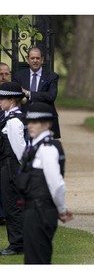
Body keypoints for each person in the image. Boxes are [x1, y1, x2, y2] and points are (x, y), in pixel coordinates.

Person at [16, 102, 73, 264]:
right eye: (29, 121)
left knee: (38, 260)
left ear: (47, 124)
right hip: (32, 209)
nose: (30, 125)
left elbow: (56, 184)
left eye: (36, 122)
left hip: (40, 210)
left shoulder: (47, 148)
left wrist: (61, 209)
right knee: (32, 259)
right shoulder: (36, 146)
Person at [0, 82, 28, 255]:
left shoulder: (13, 122)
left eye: (2, 98)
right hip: (10, 166)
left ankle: (18, 244)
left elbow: (20, 149)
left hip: (11, 167)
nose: (0, 101)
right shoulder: (11, 118)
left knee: (13, 206)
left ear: (12, 100)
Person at [13, 47, 61, 139]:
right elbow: (15, 97)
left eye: (37, 58)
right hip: (24, 119)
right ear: (28, 60)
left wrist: (28, 93)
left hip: (45, 119)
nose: (35, 61)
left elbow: (51, 96)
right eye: (32, 58)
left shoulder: (52, 76)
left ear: (42, 60)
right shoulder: (19, 76)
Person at [0, 62, 11, 226]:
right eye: (0, 74)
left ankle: (4, 214)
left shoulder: (14, 93)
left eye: (6, 74)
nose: (3, 77)